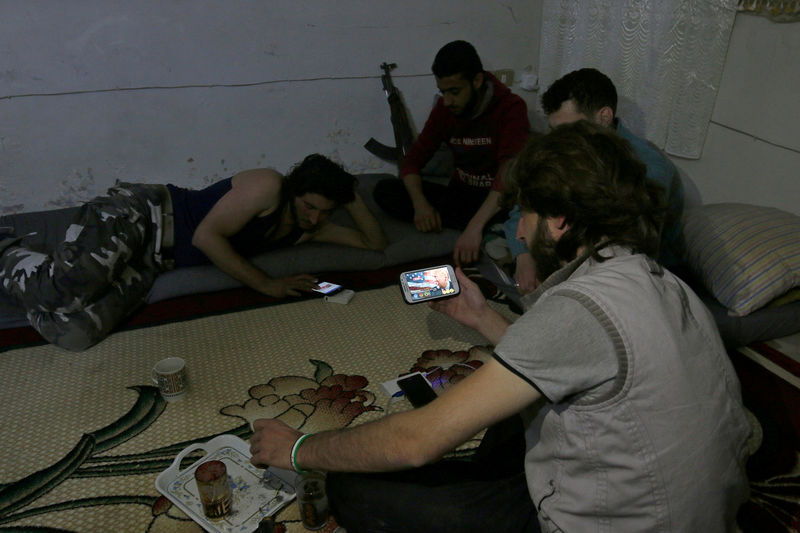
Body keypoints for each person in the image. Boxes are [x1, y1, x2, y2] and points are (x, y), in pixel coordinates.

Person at [248, 122, 751, 532]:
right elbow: (573, 358)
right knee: (516, 406)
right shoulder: (663, 281)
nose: (519, 229)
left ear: (558, 221)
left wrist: (298, 449)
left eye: (522, 213)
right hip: (690, 513)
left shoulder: (576, 306)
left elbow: (413, 444)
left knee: (353, 486)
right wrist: (483, 317)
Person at [0, 154, 387, 351]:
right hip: (143, 216)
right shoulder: (268, 185)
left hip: (153, 260)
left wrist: (349, 194)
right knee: (60, 291)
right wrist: (266, 285)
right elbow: (206, 238)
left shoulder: (307, 229)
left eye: (325, 211)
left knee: (74, 333)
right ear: (294, 190)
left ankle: (44, 263)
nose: (315, 217)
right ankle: (9, 250)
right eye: (309, 206)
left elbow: (374, 244)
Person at [499, 67, 685, 295]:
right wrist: (523, 255)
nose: (560, 140)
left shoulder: (647, 167)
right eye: (554, 131)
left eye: (567, 129)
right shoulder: (574, 152)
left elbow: (620, 250)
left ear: (604, 117)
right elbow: (527, 204)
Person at [372, 40, 530, 266]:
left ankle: (484, 229)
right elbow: (412, 161)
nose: (447, 101)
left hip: (497, 201)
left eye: (454, 92)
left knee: (521, 212)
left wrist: (474, 229)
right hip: (461, 196)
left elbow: (509, 175)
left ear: (477, 81)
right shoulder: (445, 110)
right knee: (385, 191)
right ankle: (487, 231)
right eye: (443, 92)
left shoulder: (511, 107)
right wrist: (421, 205)